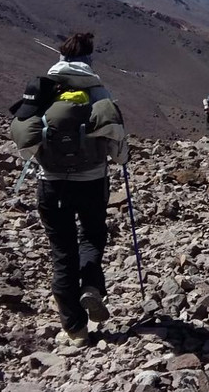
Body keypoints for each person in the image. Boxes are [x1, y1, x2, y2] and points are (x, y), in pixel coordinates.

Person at [10, 31, 128, 347]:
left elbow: (26, 139)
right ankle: (91, 286)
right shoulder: (98, 92)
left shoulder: (44, 90)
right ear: (89, 57)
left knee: (62, 251)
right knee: (91, 235)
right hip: (91, 181)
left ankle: (75, 328)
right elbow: (118, 148)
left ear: (61, 57)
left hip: (51, 185)